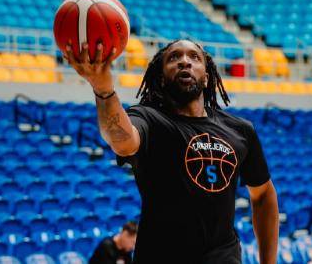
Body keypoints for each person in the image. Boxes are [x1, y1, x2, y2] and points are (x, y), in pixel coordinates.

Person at [64, 38, 279, 264]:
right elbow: (122, 141)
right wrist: (104, 90)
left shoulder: (240, 130)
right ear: (161, 78)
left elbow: (264, 194)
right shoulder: (148, 119)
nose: (185, 61)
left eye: (194, 57)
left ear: (207, 77)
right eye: (174, 57)